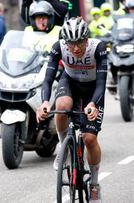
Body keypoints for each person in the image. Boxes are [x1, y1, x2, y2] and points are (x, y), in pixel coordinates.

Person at [37, 17, 106, 203]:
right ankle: (63, 147)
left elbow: (101, 83)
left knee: (89, 138)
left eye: (80, 42)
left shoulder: (98, 48)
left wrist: (92, 104)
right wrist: (44, 102)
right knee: (60, 107)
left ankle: (94, 184)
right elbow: (49, 78)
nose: (76, 48)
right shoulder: (58, 47)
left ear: (87, 39)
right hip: (70, 83)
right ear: (65, 42)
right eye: (71, 43)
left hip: (92, 89)